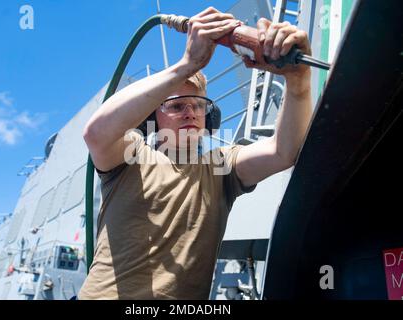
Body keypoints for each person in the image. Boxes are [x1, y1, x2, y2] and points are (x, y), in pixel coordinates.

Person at [79, 7, 313, 299]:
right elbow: (96, 134)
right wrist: (187, 65)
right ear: (155, 119)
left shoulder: (222, 166)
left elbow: (283, 151)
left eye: (198, 106)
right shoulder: (132, 156)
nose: (190, 112)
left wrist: (299, 80)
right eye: (177, 106)